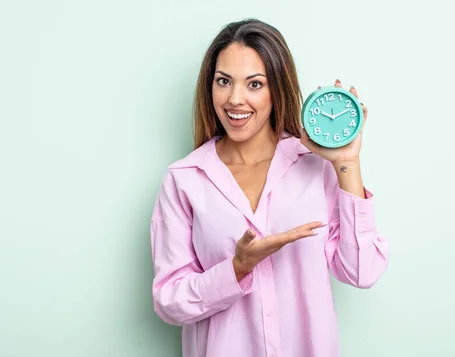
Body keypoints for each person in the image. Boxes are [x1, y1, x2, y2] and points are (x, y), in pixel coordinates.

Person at [150, 18, 390, 357]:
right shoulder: (184, 179)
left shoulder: (315, 166)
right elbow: (169, 302)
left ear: (277, 89)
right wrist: (238, 268)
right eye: (223, 81)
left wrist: (346, 163)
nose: (235, 99)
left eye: (254, 84)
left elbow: (361, 271)